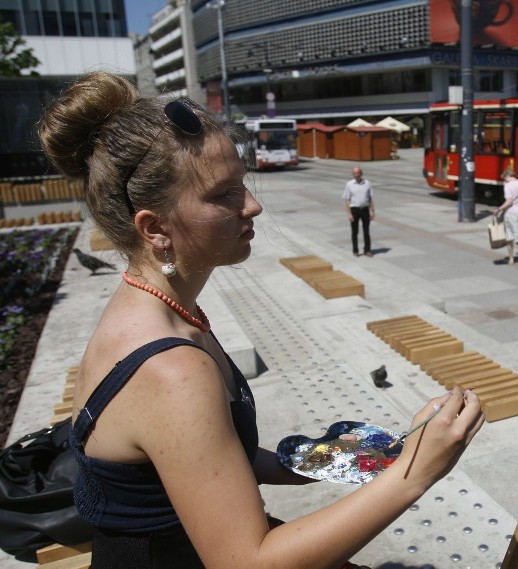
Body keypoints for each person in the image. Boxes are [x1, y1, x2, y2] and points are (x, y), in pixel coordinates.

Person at [38, 71, 484, 569]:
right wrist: (417, 472)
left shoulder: (156, 311)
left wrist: (336, 461)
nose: (253, 204)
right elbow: (247, 562)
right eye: (224, 193)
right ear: (156, 227)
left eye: (243, 184)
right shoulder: (171, 371)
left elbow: (198, 461)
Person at [343, 166, 374, 257]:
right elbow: (347, 200)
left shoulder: (367, 183)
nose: (356, 175)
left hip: (365, 210)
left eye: (358, 173)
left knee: (366, 231)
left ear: (361, 173)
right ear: (353, 174)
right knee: (354, 232)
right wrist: (349, 214)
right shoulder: (349, 184)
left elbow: (370, 198)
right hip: (354, 210)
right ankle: (355, 250)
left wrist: (372, 211)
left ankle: (367, 250)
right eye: (354, 173)